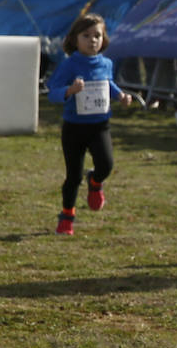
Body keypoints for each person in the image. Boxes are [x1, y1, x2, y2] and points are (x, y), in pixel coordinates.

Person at [45, 14, 133, 236]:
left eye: (98, 36)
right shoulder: (68, 65)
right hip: (74, 127)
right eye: (86, 36)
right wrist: (69, 91)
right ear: (75, 39)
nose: (93, 40)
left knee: (106, 164)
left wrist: (121, 95)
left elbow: (108, 83)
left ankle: (95, 181)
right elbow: (52, 92)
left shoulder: (106, 63)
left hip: (99, 125)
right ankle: (67, 216)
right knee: (73, 176)